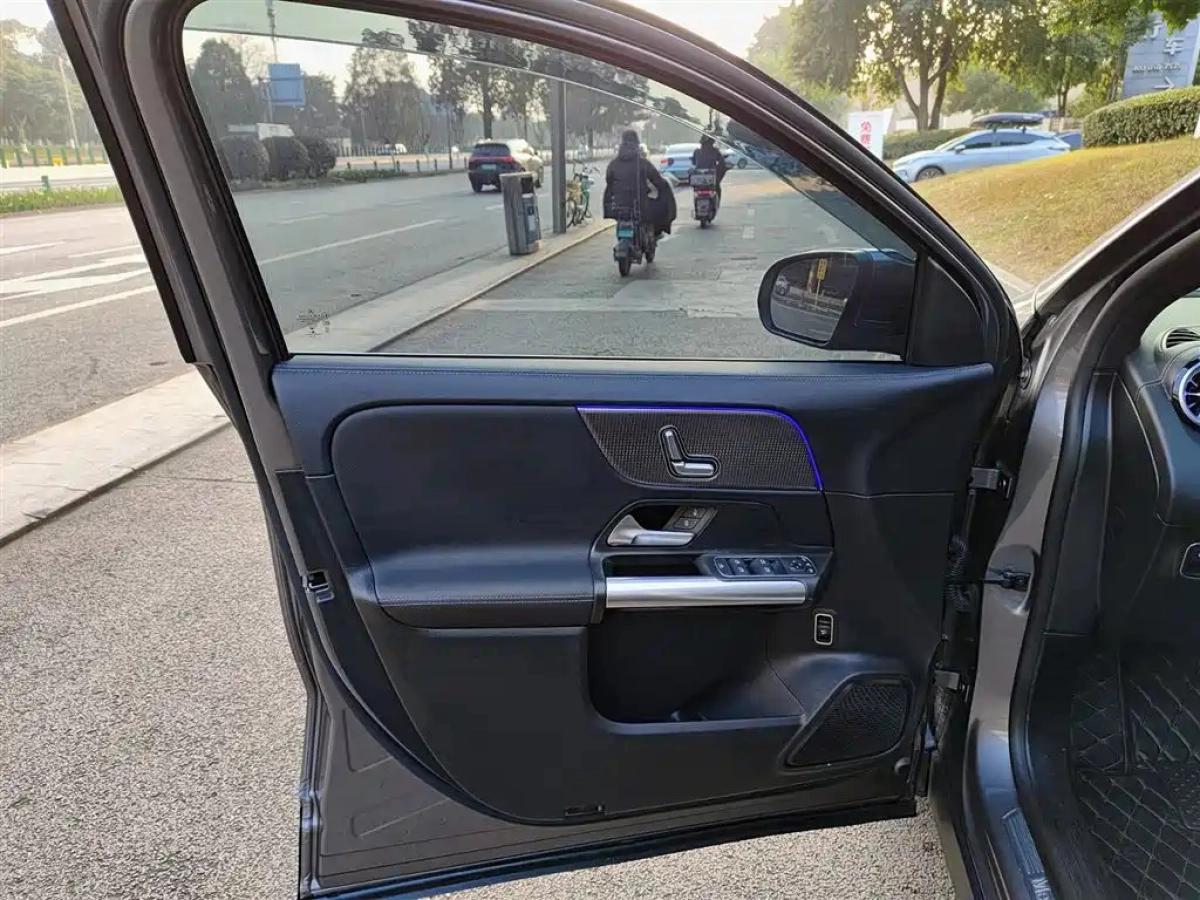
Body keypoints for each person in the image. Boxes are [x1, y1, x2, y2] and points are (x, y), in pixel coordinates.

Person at [603, 128, 676, 238]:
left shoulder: (613, 164)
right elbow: (658, 181)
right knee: (657, 206)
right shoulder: (643, 163)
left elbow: (609, 182)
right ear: (637, 145)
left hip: (618, 208)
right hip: (640, 207)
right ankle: (654, 233)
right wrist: (664, 188)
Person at [691, 134, 729, 202]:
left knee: (696, 191)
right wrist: (718, 178)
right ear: (712, 142)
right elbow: (723, 165)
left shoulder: (696, 151)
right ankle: (717, 204)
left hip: (699, 179)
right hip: (712, 179)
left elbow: (693, 163)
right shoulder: (715, 151)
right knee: (717, 189)